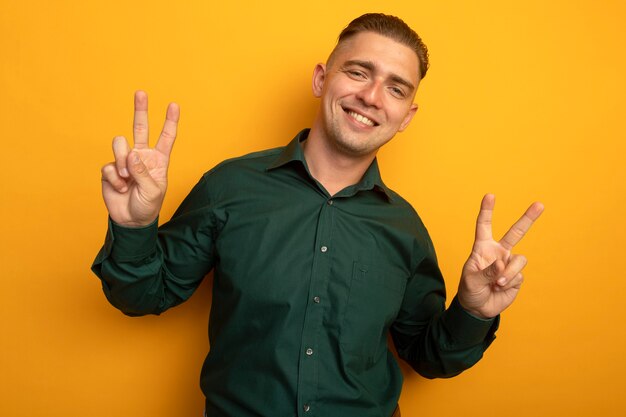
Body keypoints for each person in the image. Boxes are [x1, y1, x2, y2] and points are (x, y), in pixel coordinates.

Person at [93, 13, 543, 417]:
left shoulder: (405, 229)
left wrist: (472, 311)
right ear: (321, 79)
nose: (371, 96)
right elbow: (143, 296)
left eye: (395, 88)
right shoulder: (229, 187)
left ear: (406, 115)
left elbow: (427, 356)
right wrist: (134, 227)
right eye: (358, 72)